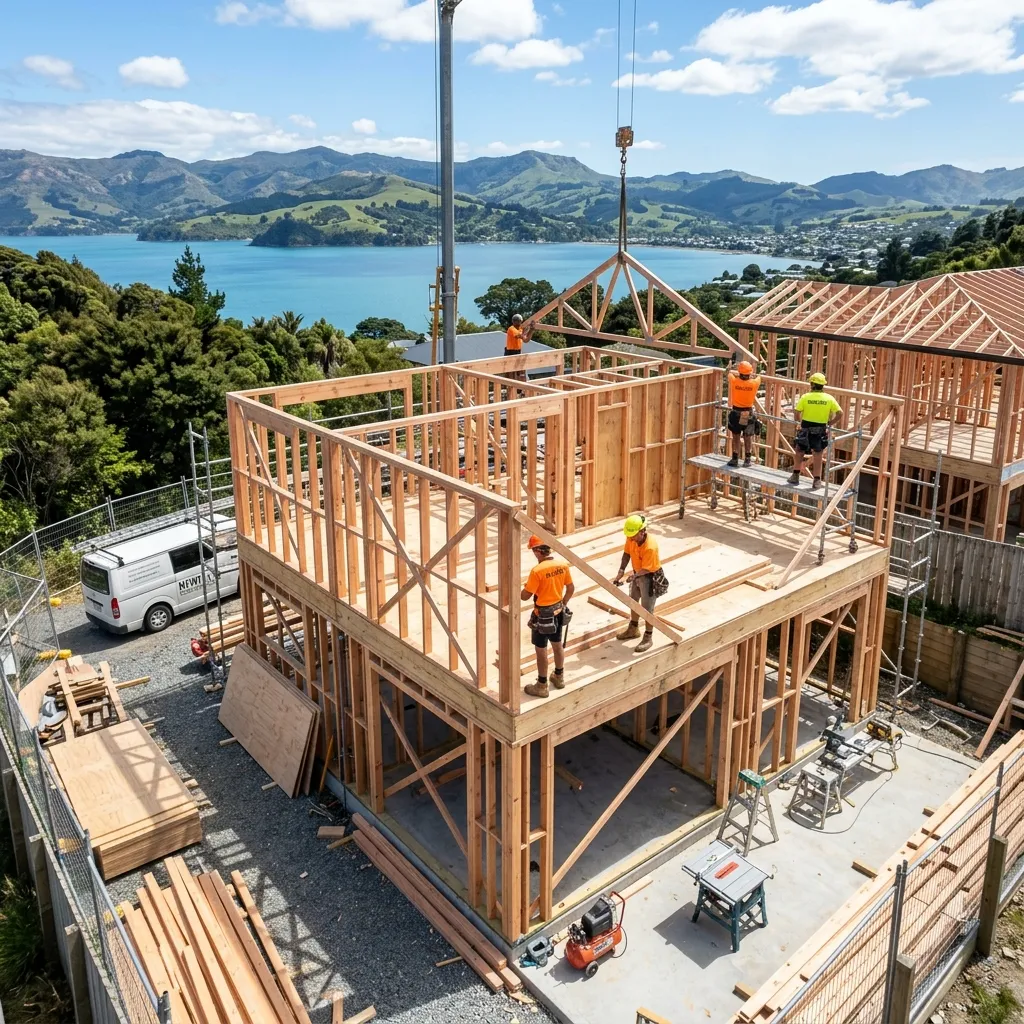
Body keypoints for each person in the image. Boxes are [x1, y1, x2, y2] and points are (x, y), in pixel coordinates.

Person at [522, 535, 575, 699]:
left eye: (533, 551)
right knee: (557, 645)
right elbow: (571, 588)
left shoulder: (537, 571)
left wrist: (520, 590)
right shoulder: (562, 565)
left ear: (538, 551)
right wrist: (563, 603)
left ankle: (542, 685)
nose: (533, 554)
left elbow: (525, 596)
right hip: (558, 612)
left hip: (542, 615)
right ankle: (559, 677)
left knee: (541, 649)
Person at [612, 513, 668, 654]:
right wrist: (621, 570)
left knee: (647, 609)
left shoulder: (650, 547)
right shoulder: (631, 537)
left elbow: (647, 569)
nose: (631, 538)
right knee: (633, 601)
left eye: (634, 536)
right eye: (629, 536)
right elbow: (626, 554)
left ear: (642, 532)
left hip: (649, 576)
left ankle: (648, 637)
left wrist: (634, 576)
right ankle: (633, 628)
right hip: (638, 573)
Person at [789, 372, 843, 489]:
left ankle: (795, 475)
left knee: (799, 451)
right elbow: (840, 413)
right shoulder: (829, 398)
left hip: (806, 427)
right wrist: (830, 423)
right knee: (817, 454)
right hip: (820, 428)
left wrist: (799, 423)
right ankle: (817, 481)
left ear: (812, 384)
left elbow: (797, 412)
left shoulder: (805, 397)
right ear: (822, 385)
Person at [726, 360, 762, 468]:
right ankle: (747, 459)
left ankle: (735, 458)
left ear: (739, 372)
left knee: (736, 436)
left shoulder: (734, 381)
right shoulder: (754, 383)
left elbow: (727, 372)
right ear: (749, 373)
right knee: (747, 436)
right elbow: (759, 376)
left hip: (736, 412)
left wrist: (729, 365)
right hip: (747, 412)